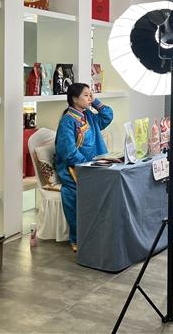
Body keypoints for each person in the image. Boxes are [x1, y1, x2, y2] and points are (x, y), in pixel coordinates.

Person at [55, 83, 113, 252]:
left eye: (91, 95)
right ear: (74, 99)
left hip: (93, 165)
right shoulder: (67, 121)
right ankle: (77, 237)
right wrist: (87, 166)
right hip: (74, 169)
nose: (90, 98)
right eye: (86, 95)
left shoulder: (89, 116)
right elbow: (68, 153)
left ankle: (100, 233)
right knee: (73, 194)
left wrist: (95, 102)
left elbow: (107, 116)